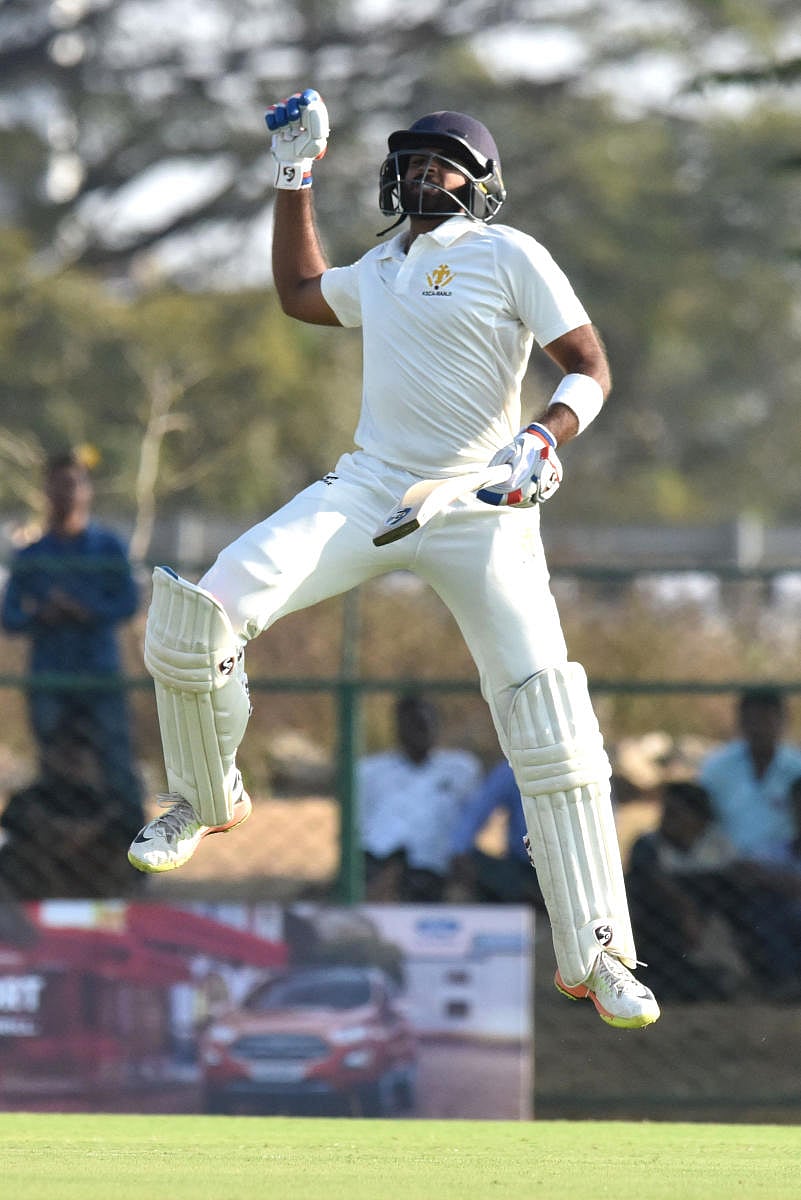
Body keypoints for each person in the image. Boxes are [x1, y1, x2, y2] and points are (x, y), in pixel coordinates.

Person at [128, 89, 659, 1028]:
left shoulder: (510, 254)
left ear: (480, 184)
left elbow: (587, 363)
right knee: (193, 618)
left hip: (479, 503)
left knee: (550, 724)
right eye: (411, 159)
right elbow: (300, 295)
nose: (422, 172)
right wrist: (294, 175)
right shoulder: (381, 266)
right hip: (369, 488)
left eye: (443, 160)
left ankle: (602, 956)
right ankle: (203, 800)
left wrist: (544, 438)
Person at [1, 450, 145, 843]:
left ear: (87, 490)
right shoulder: (32, 555)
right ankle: (54, 859)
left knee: (116, 763)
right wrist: (42, 614)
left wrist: (86, 611)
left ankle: (136, 851)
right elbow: (10, 616)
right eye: (57, 484)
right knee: (55, 768)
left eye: (73, 483)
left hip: (100, 674)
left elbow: (128, 602)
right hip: (50, 675)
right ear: (46, 491)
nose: (66, 493)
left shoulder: (108, 548)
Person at [0, 710, 144, 898]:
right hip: (39, 881)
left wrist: (91, 830)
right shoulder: (35, 795)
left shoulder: (112, 799)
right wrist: (53, 830)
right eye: (63, 750)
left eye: (80, 749)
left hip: (97, 881)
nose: (71, 758)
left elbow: (133, 831)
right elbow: (10, 824)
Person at [358, 694, 482, 901]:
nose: (421, 731)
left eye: (426, 723)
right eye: (413, 724)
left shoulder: (461, 768)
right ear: (398, 728)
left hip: (438, 861)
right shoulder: (369, 771)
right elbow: (357, 824)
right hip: (379, 859)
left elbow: (474, 818)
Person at [697, 687, 801, 860]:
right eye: (751, 720)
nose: (758, 728)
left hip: (787, 870)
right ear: (740, 722)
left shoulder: (797, 767)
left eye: (766, 719)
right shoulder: (717, 768)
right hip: (728, 865)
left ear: (783, 721)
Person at [448, 758, 545, 907]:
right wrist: (459, 850)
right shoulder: (514, 768)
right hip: (525, 867)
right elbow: (479, 808)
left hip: (574, 864)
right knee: (478, 867)